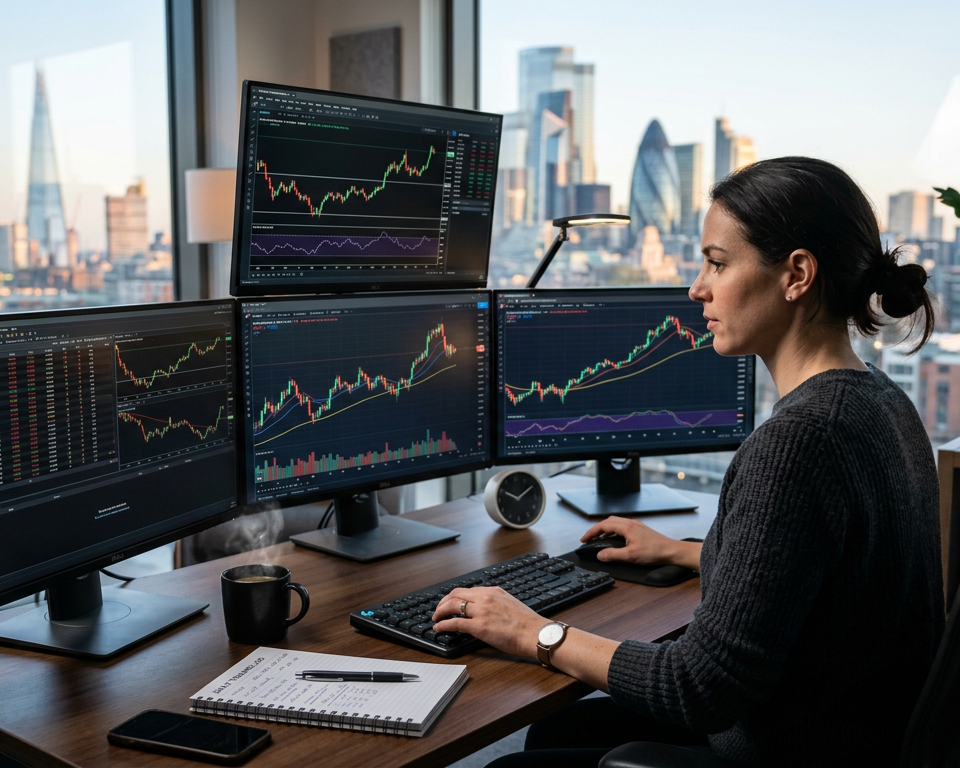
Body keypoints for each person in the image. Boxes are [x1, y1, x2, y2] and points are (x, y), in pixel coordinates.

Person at [432, 157, 945, 767]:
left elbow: (697, 687)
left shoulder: (800, 440)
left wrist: (532, 632)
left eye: (718, 263)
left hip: (783, 747)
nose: (697, 288)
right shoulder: (883, 401)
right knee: (554, 733)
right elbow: (831, 576)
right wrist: (684, 551)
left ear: (797, 275)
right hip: (853, 737)